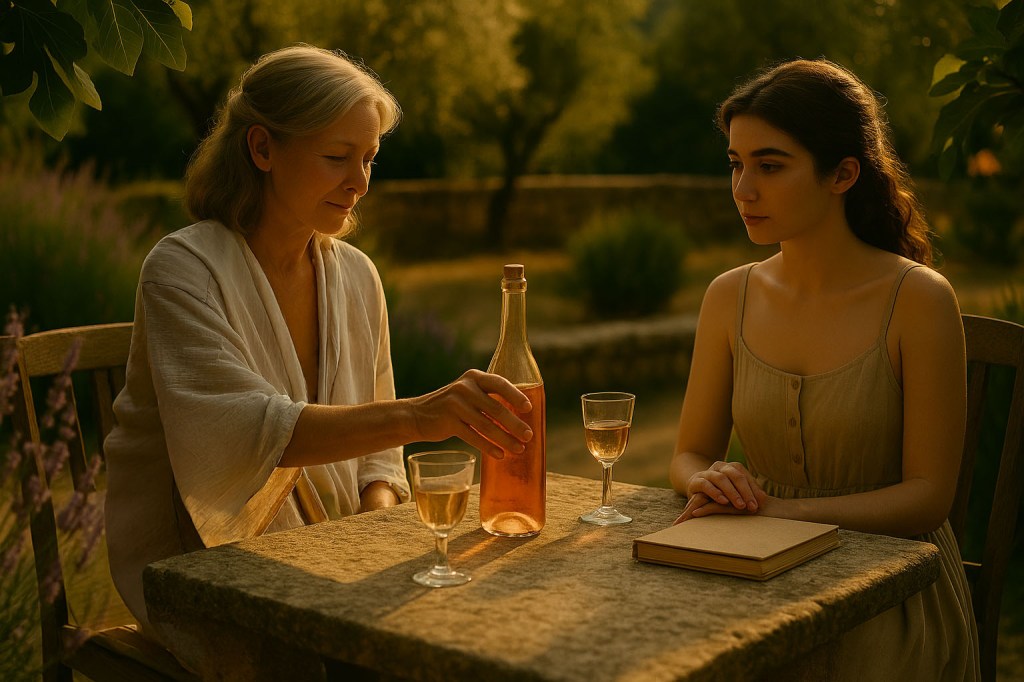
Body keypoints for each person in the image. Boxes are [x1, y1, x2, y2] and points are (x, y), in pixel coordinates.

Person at [104, 44, 534, 660]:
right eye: (337, 157)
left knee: (482, 629)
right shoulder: (183, 270)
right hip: (204, 576)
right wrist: (422, 415)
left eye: (368, 159)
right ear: (261, 149)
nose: (359, 182)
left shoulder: (356, 277)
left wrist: (373, 529)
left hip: (331, 564)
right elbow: (242, 433)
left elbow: (380, 461)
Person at [668, 58, 979, 681]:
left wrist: (777, 512)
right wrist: (713, 479)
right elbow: (686, 456)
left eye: (771, 166)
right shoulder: (728, 296)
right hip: (759, 580)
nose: (743, 190)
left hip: (889, 596)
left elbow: (927, 499)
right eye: (736, 164)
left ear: (842, 174)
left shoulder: (919, 300)